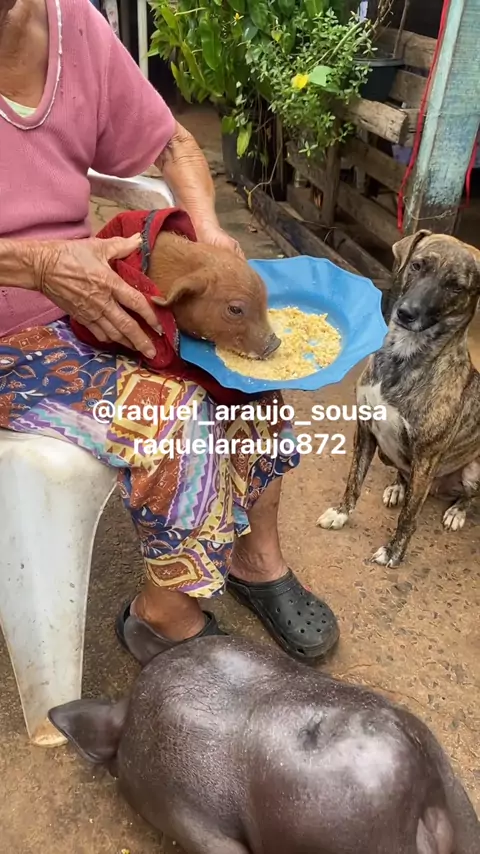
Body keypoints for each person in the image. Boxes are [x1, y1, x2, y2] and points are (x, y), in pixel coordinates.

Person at [0, 0, 339, 662]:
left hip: (93, 292)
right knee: (176, 418)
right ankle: (163, 616)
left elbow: (174, 144)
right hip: (11, 337)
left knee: (242, 378)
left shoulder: (74, 23)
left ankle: (254, 559)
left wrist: (207, 229)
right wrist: (39, 265)